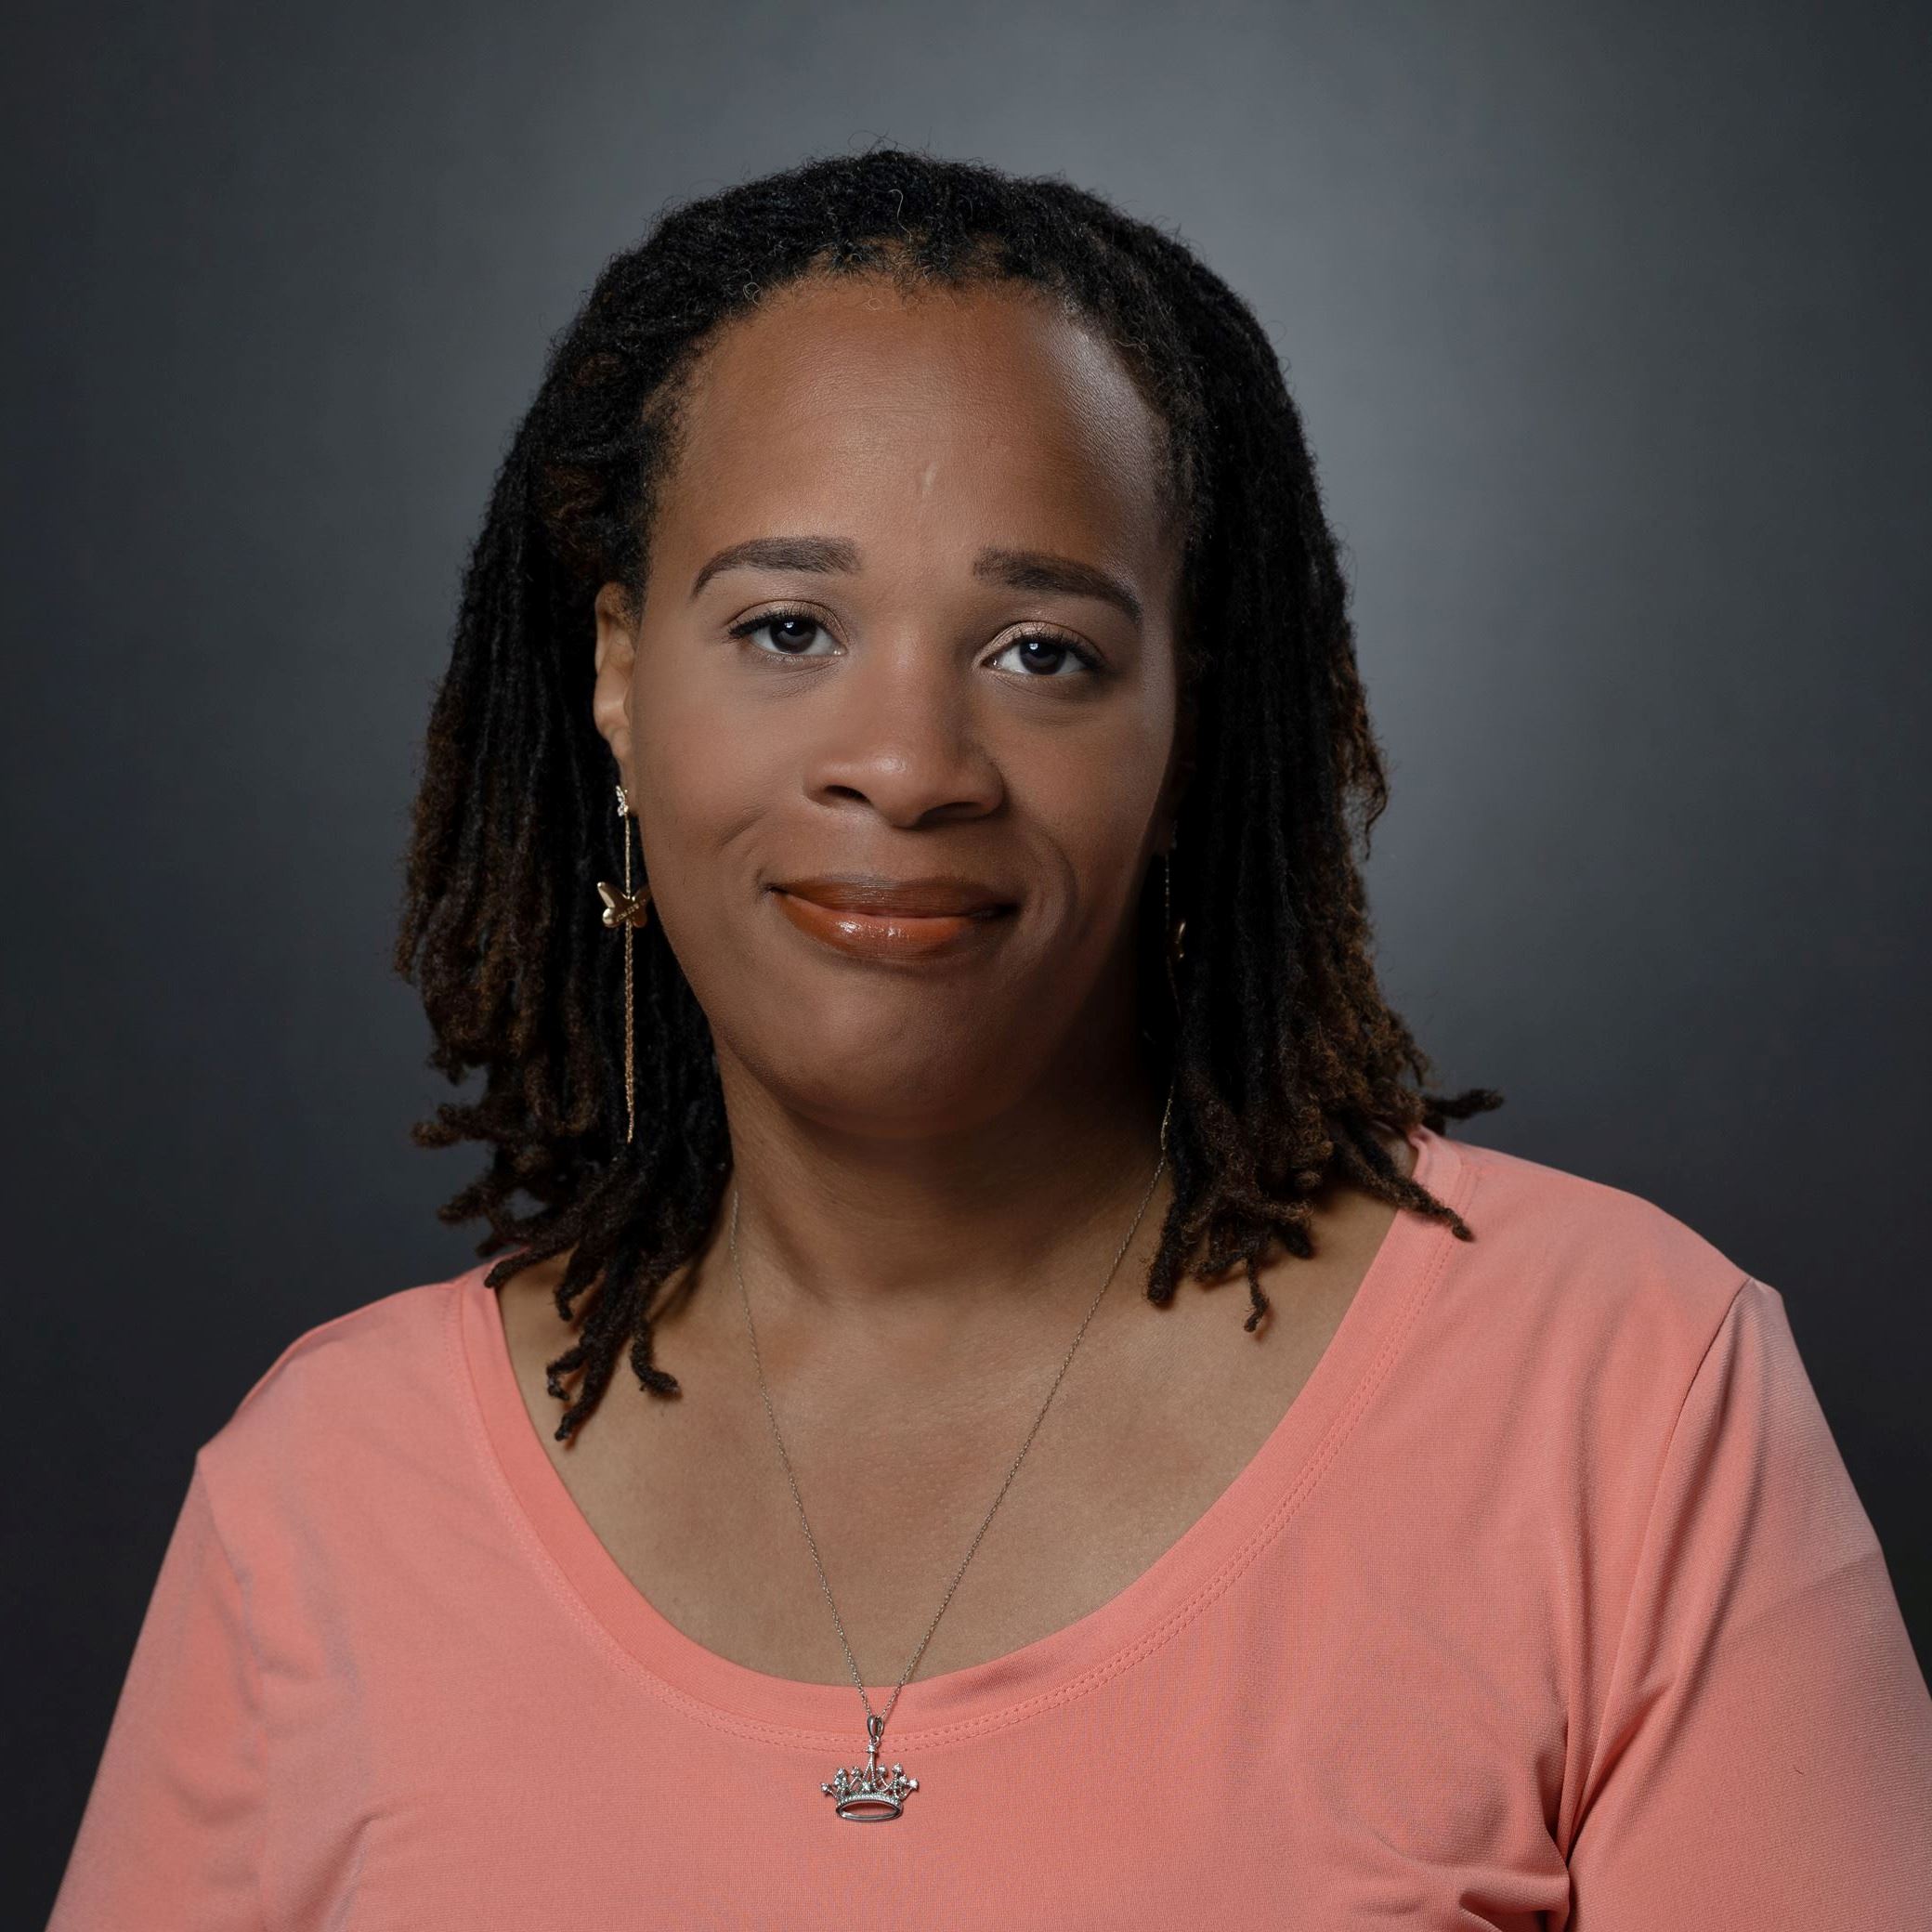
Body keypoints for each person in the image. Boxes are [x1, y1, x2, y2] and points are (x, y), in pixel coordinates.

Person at [47, 148, 1932, 1928]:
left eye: (1041, 652)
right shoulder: (323, 1498)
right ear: (618, 674)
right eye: (786, 625)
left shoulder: (1617, 1395)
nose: (907, 765)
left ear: (1183, 723)